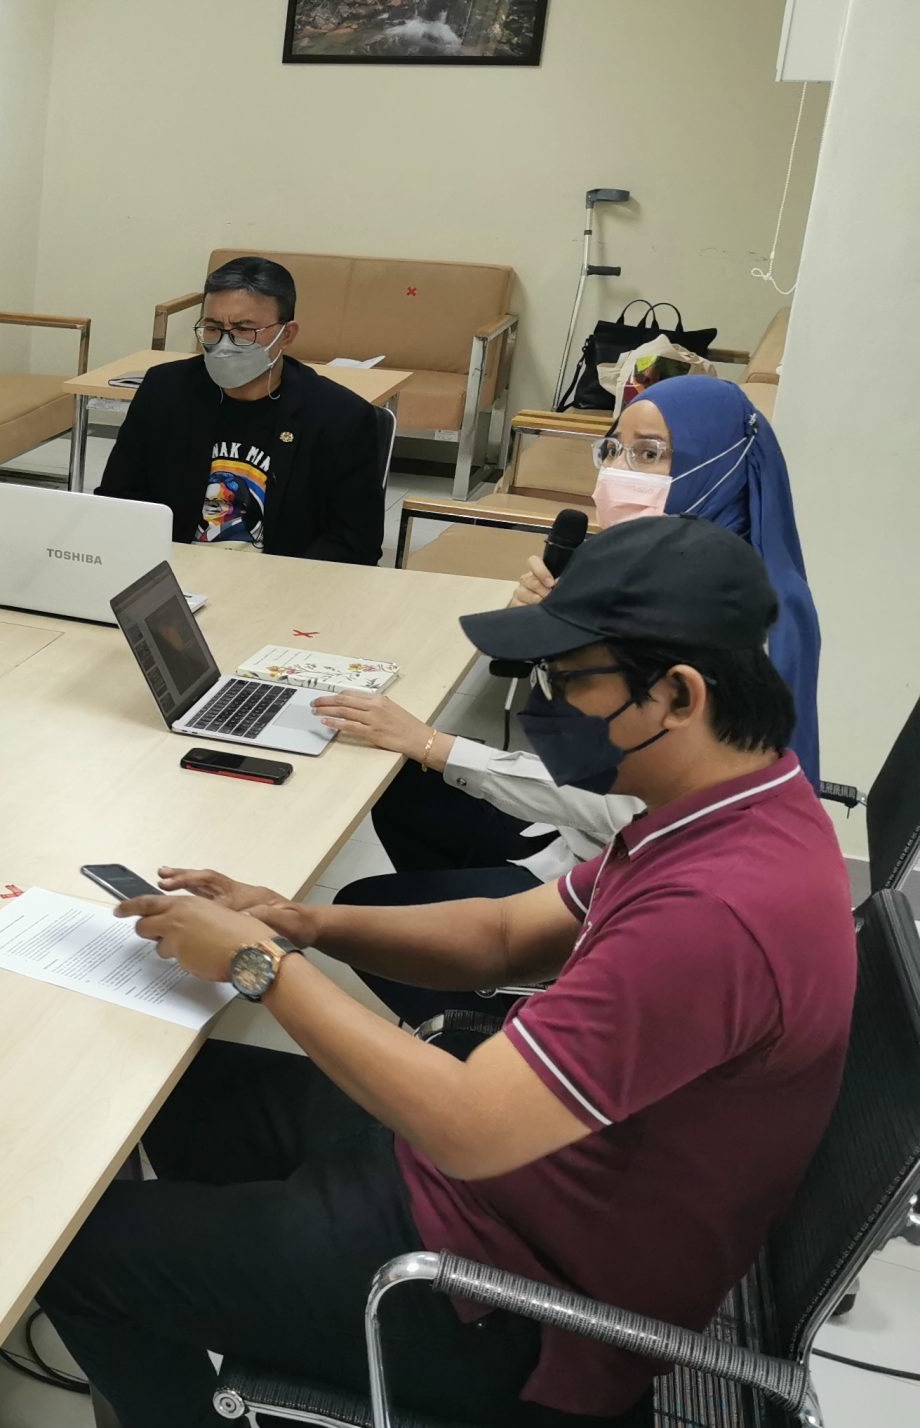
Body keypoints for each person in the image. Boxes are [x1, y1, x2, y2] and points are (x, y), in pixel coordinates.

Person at [0, 516, 852, 1428]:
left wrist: (257, 967)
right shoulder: (728, 811)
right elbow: (505, 934)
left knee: (68, 1245)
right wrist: (300, 923)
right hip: (527, 1204)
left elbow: (470, 1128)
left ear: (677, 694)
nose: (547, 705)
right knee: (184, 1097)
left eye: (572, 680)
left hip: (519, 1311)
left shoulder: (718, 913)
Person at [316, 378, 822, 1000]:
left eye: (649, 453)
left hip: (629, 867)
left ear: (718, 464)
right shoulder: (667, 564)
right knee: (400, 783)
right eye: (612, 449)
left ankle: (491, 1003)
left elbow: (622, 798)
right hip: (585, 840)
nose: (618, 471)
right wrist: (555, 631)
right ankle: (476, 963)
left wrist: (437, 745)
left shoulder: (734, 618)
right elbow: (587, 726)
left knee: (365, 913)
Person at [97, 256, 384, 566]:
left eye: (244, 329)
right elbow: (118, 499)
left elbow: (356, 543)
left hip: (284, 580)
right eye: (213, 328)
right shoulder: (164, 391)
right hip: (174, 571)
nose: (225, 343)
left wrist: (277, 583)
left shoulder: (340, 417)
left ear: (287, 335)